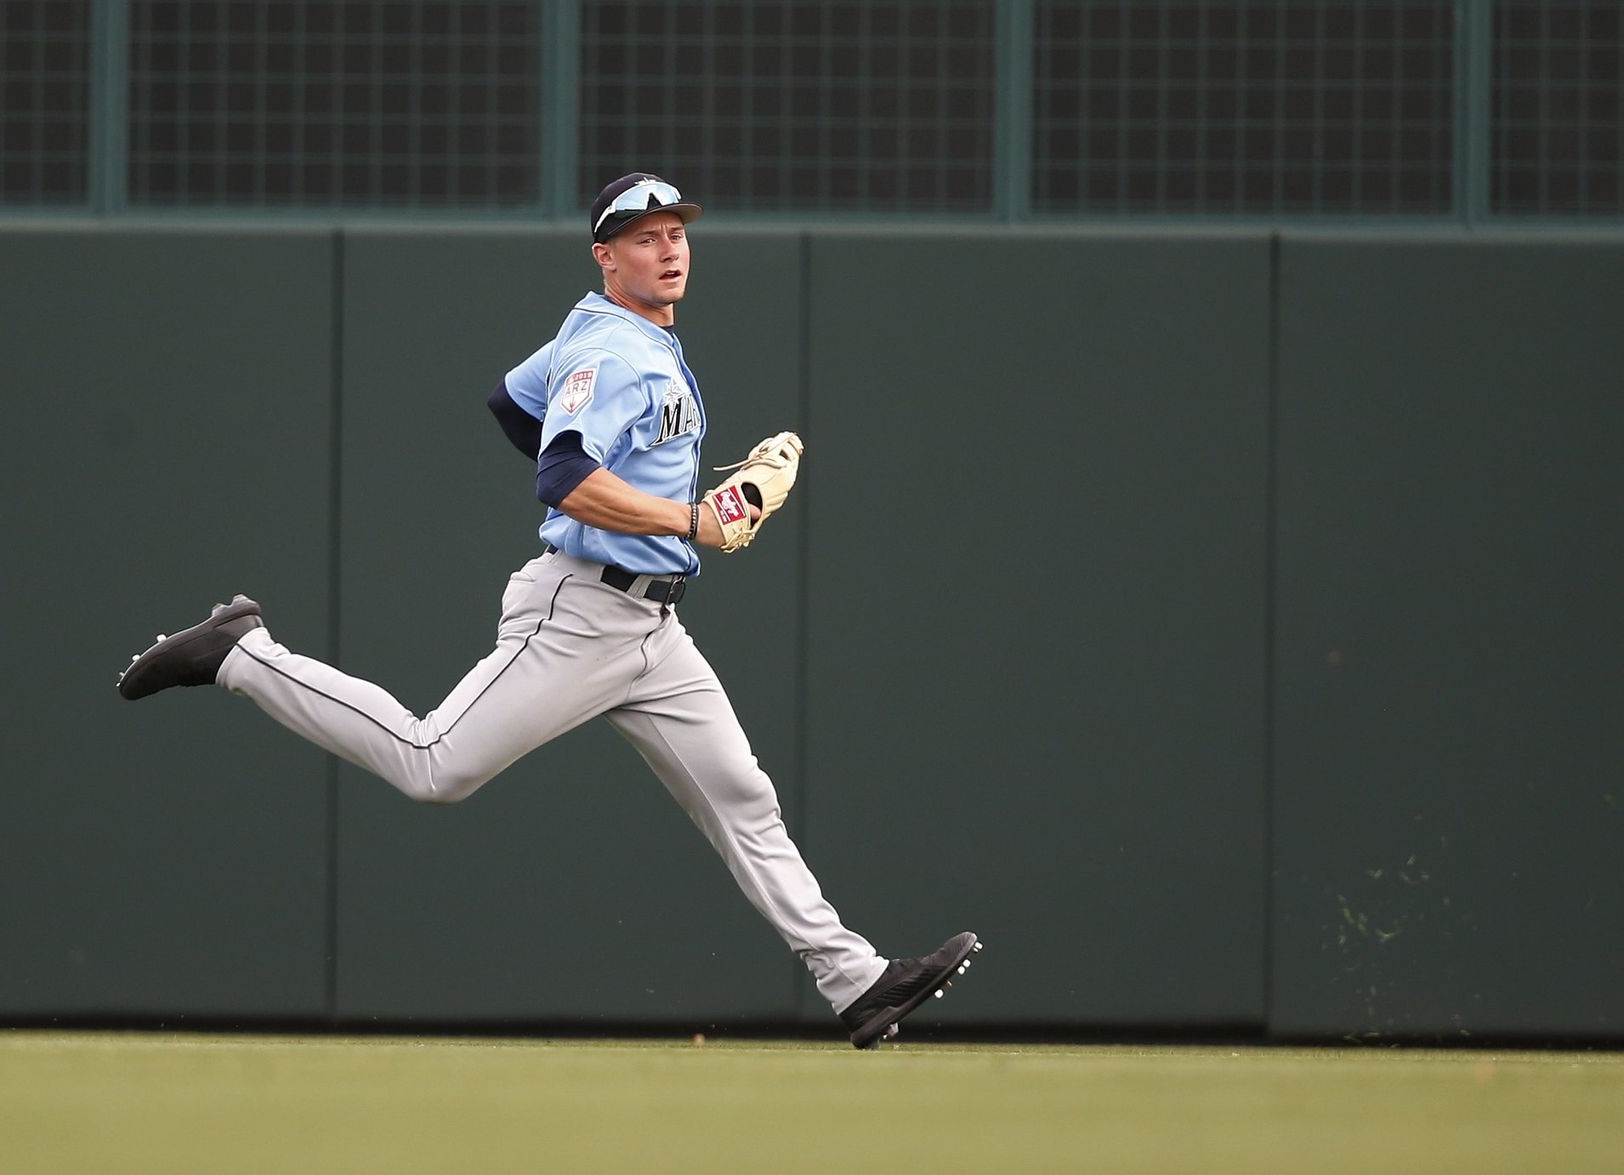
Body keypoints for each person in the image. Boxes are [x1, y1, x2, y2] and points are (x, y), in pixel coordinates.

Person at [116, 172, 978, 1049]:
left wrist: (648, 508)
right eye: (644, 237)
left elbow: (513, 403)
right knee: (434, 764)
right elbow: (562, 472)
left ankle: (858, 981)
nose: (669, 247)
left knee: (741, 794)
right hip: (583, 610)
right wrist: (689, 518)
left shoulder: (615, 332)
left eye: (676, 231)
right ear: (607, 256)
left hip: (653, 627)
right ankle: (242, 652)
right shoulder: (616, 350)